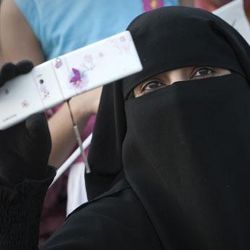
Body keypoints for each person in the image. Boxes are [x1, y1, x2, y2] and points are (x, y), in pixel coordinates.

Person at [1, 5, 250, 249]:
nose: (177, 97)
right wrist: (14, 209)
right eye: (152, 86)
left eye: (202, 72)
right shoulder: (106, 230)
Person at [0, 0, 179, 243]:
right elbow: (27, 149)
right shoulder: (18, 8)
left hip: (181, 152)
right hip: (103, 189)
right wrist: (83, 103)